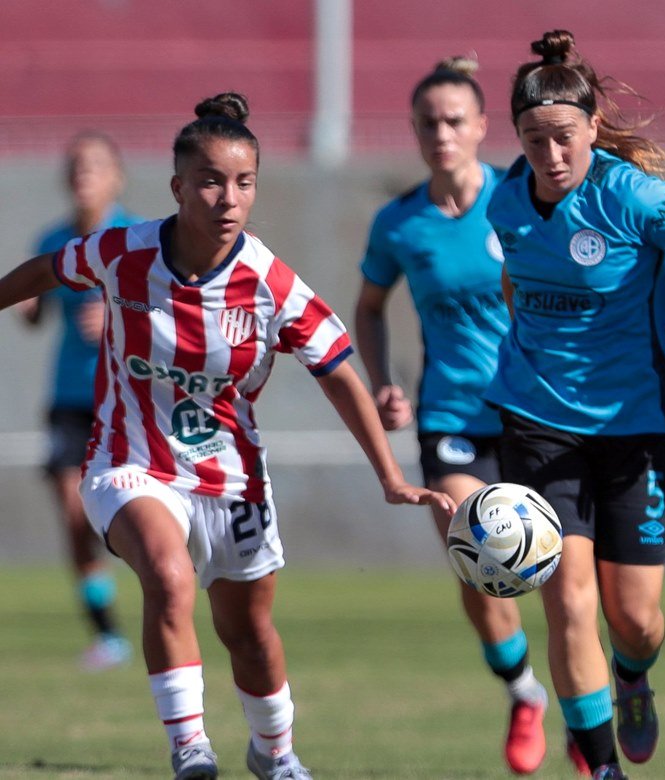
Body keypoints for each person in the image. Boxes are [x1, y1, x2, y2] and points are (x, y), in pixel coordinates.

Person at [0, 93, 450, 780]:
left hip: (231, 478)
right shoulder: (123, 252)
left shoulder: (270, 283)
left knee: (249, 634)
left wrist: (390, 475)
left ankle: (274, 752)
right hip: (129, 461)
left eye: (242, 182)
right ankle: (190, 747)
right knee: (168, 574)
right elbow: (48, 270)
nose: (227, 197)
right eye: (209, 180)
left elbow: (338, 373)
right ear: (179, 186)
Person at [488, 30, 665, 780]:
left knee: (636, 619)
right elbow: (519, 284)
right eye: (534, 139)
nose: (551, 156)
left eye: (564, 138)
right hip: (536, 423)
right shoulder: (504, 203)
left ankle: (634, 677)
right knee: (569, 602)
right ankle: (602, 768)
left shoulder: (633, 195)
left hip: (633, 423)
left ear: (591, 129)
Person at [352, 56, 549, 775]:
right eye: (429, 122)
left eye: (455, 120)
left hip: (537, 413)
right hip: (452, 417)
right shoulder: (400, 223)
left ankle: (590, 713)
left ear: (482, 127)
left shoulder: (522, 199)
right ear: (414, 129)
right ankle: (524, 691)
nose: (442, 133)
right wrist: (384, 382)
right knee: (482, 556)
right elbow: (369, 308)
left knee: (570, 579)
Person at [17, 131, 141, 671]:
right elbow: (34, 310)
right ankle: (107, 635)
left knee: (134, 513)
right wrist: (28, 306)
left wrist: (117, 317)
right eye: (75, 165)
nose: (83, 172)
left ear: (116, 175)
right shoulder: (52, 240)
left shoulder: (138, 238)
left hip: (128, 397)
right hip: (71, 396)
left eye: (95, 163)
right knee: (73, 514)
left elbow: (167, 313)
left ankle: (167, 599)